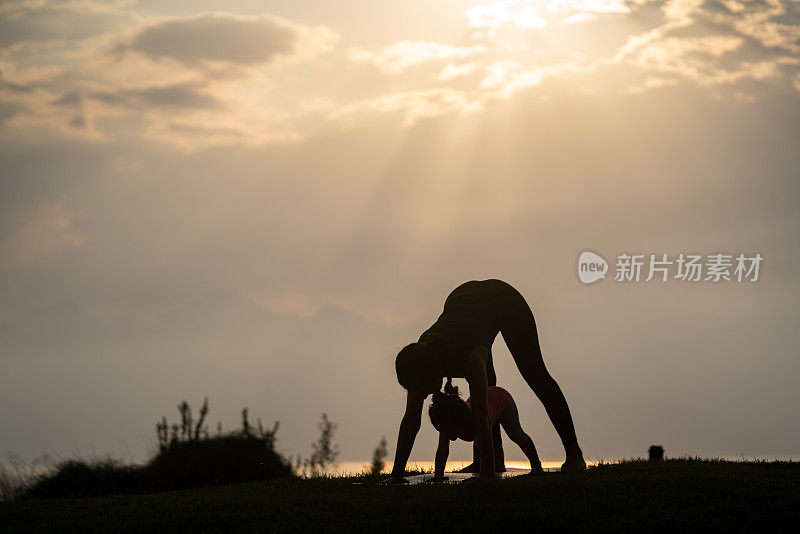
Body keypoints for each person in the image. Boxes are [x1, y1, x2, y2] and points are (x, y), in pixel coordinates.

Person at [390, 279, 584, 482]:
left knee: (535, 374)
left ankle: (574, 454)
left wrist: (487, 476)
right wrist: (396, 475)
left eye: (422, 390)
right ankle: (494, 458)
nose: (421, 396)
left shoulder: (470, 357)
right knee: (488, 381)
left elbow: (482, 414)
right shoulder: (421, 354)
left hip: (505, 301)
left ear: (436, 372)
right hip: (463, 303)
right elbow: (411, 419)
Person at [428, 380, 543, 480]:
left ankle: (537, 465)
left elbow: (486, 447)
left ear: (461, 421)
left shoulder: (477, 419)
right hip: (484, 404)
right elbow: (442, 449)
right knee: (477, 437)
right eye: (443, 430)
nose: (447, 434)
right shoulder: (446, 422)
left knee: (516, 434)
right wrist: (438, 476)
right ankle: (476, 464)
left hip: (502, 399)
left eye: (449, 431)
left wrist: (485, 476)